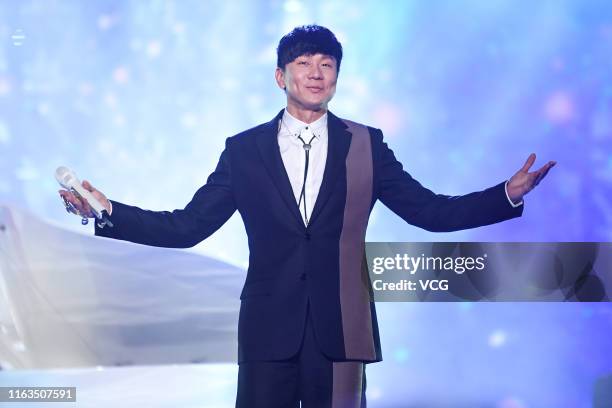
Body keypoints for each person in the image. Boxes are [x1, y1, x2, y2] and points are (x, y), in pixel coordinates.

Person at [59, 24, 555, 408]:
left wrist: (503, 195)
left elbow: (428, 211)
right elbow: (187, 227)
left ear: (337, 75)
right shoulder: (244, 150)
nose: (316, 73)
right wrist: (107, 211)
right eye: (303, 62)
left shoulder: (367, 144)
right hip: (268, 329)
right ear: (281, 76)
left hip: (342, 330)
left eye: (327, 63)